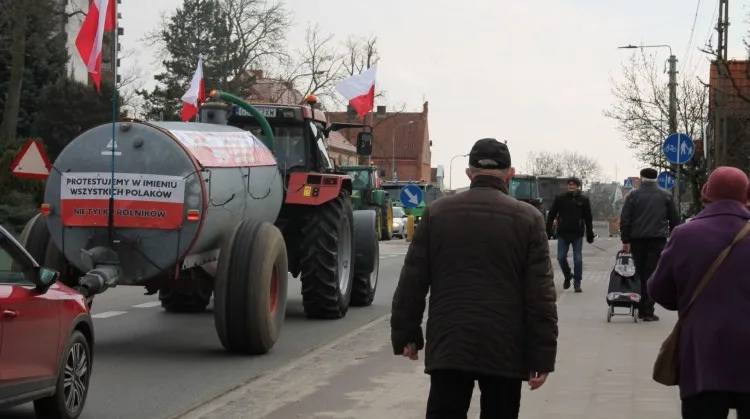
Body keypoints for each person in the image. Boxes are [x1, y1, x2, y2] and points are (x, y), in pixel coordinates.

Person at [390, 138, 558, 419]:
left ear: (470, 174)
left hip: (450, 342)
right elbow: (540, 295)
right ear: (511, 174)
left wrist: (407, 333)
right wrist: (541, 355)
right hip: (505, 346)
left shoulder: (437, 213)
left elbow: (412, 281)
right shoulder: (528, 219)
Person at [648, 167, 750, 419]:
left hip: (701, 352)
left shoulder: (685, 234)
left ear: (706, 193)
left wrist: (688, 302)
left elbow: (658, 289)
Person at [619, 168, 680, 321]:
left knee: (638, 273)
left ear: (641, 178)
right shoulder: (666, 196)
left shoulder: (633, 195)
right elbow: (674, 220)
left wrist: (625, 240)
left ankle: (639, 308)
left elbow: (625, 218)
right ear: (656, 178)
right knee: (652, 274)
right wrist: (674, 239)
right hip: (657, 240)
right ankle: (648, 310)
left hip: (637, 240)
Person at [545, 177, 595, 292]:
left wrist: (590, 233)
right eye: (569, 185)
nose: (571, 186)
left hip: (577, 234)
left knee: (577, 259)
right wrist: (547, 231)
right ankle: (568, 275)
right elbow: (552, 215)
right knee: (560, 257)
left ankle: (577, 283)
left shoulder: (583, 200)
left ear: (578, 187)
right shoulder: (560, 199)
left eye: (573, 185)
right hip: (563, 233)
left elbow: (588, 218)